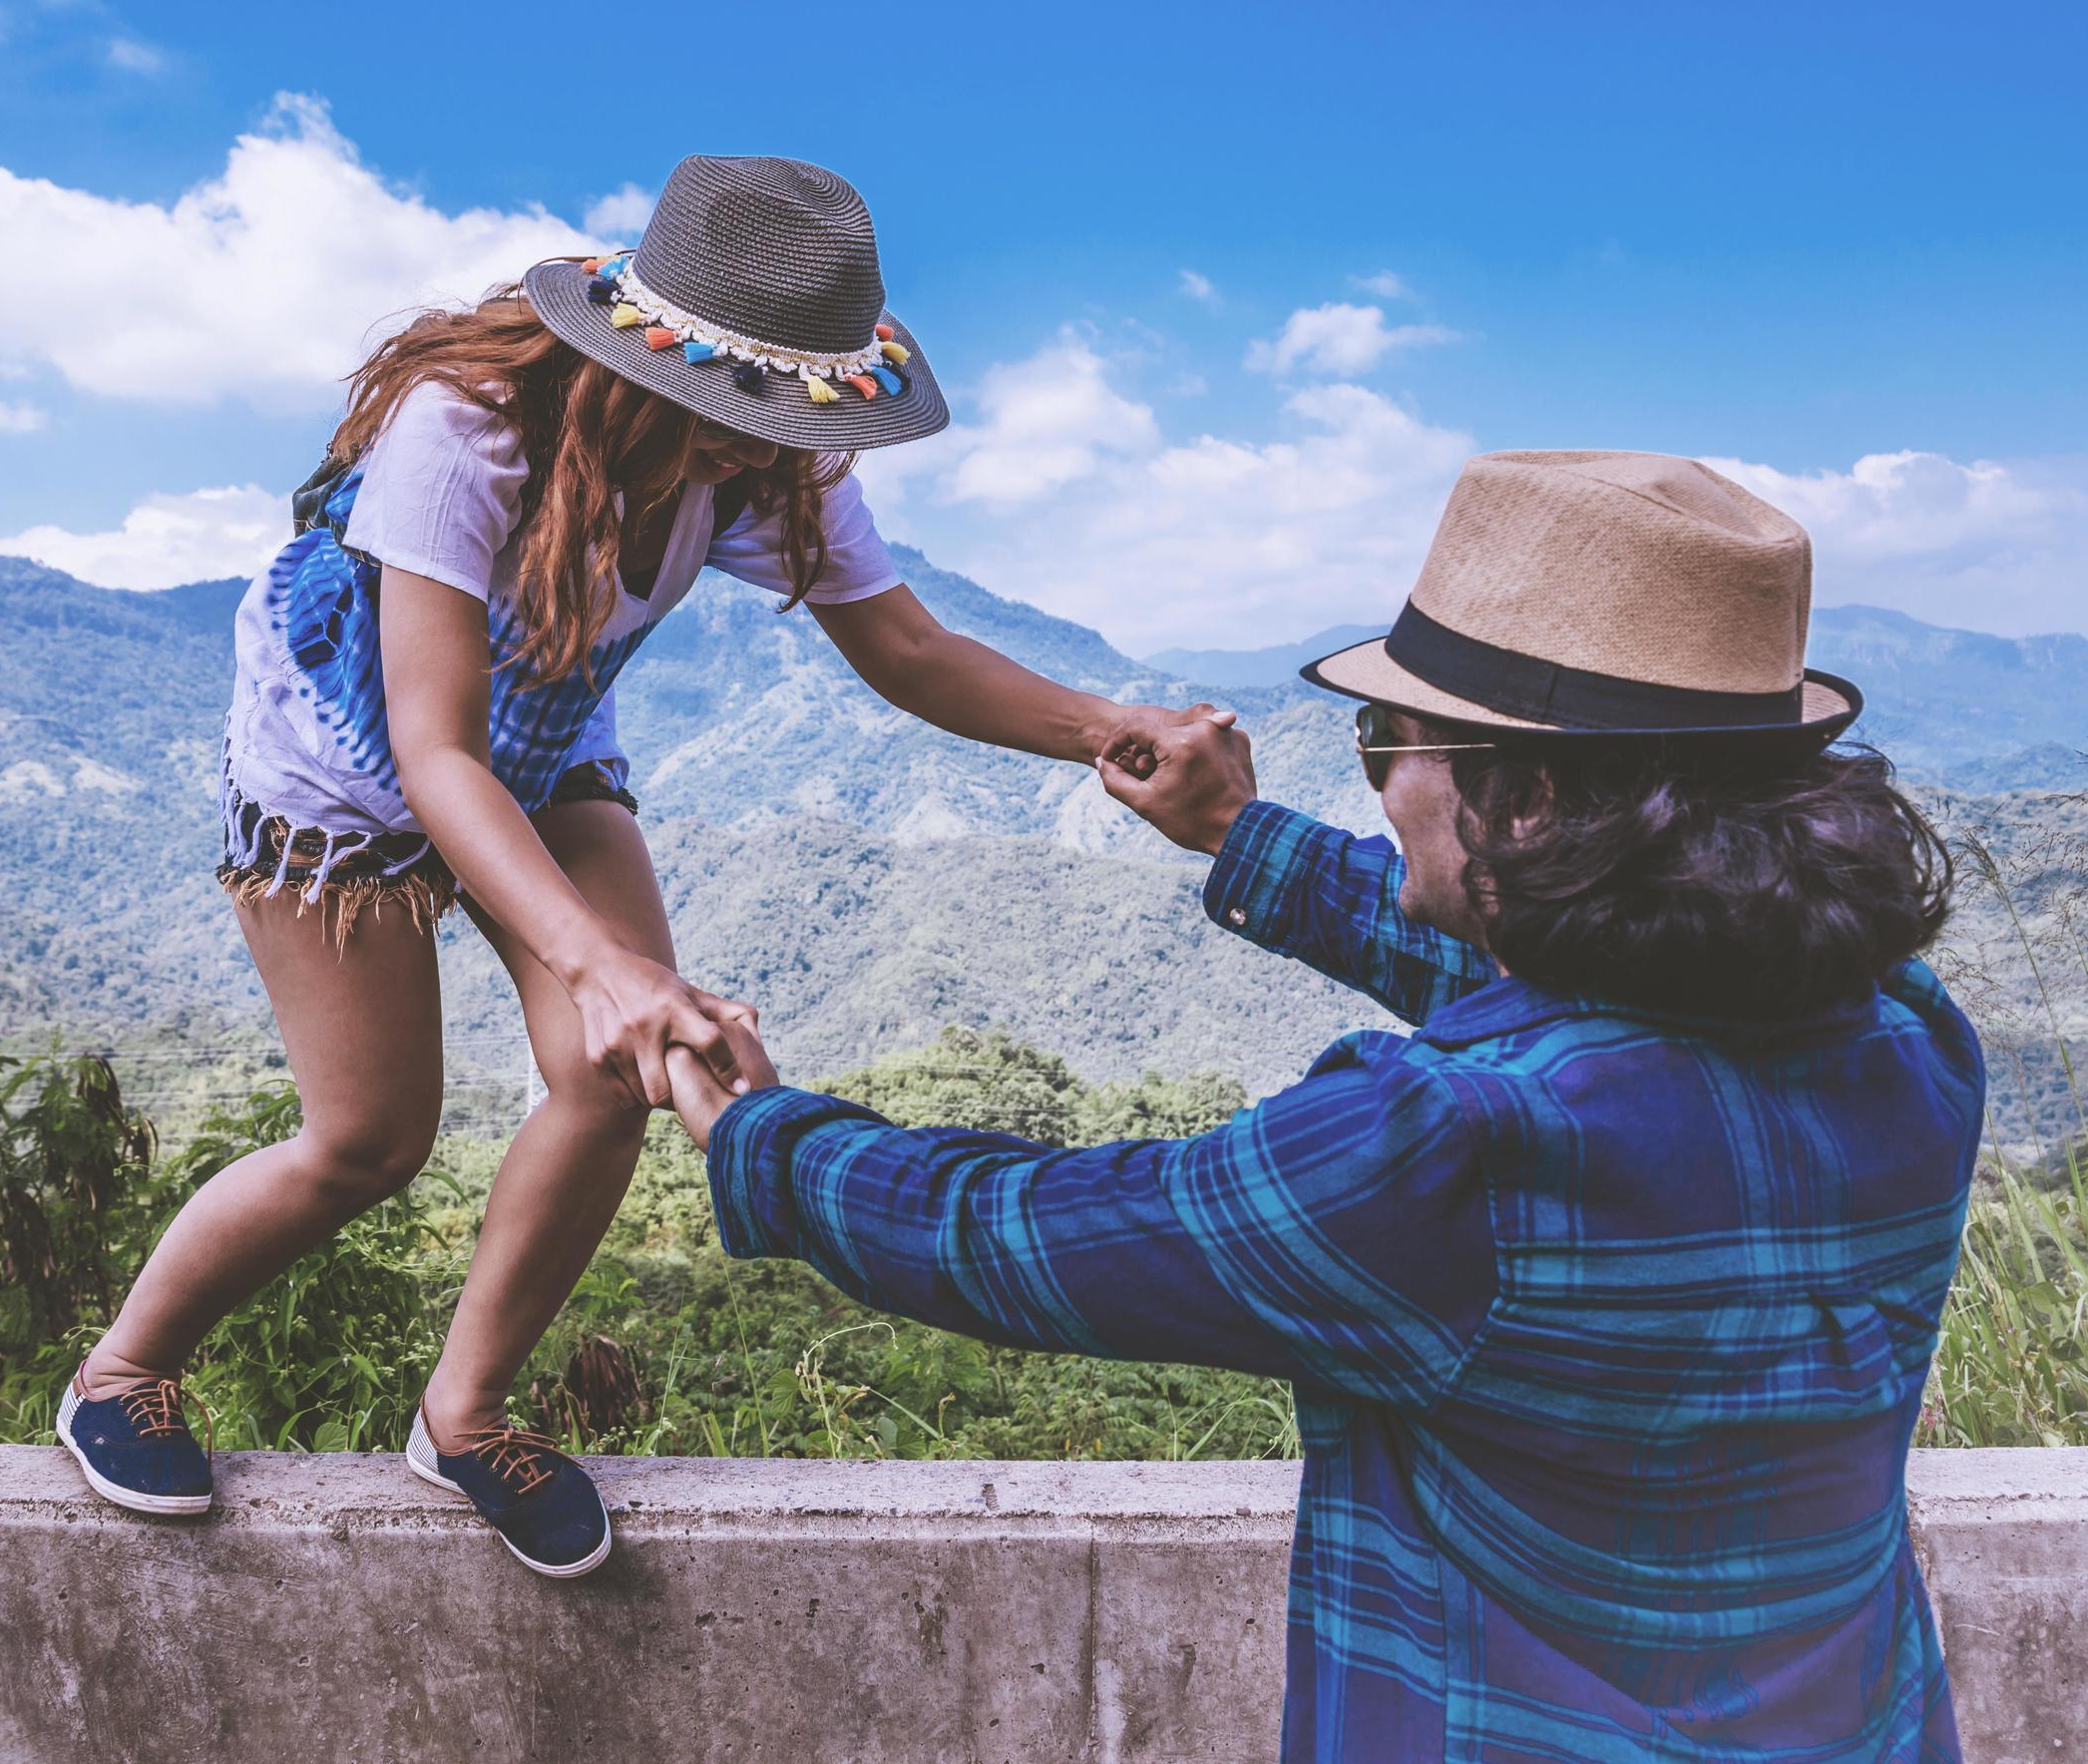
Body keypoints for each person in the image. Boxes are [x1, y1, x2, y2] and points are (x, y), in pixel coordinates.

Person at [664, 451, 1977, 1759]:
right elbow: (1604, 969)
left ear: (1525, 803)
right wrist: (1238, 833)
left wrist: (761, 1134)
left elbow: (1015, 1236)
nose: (1381, 775)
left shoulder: (1440, 1158)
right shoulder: (1912, 1043)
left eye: (1381, 744)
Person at [57, 154, 1213, 1577]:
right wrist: (597, 962)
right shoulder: (465, 430)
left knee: (612, 1068)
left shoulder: (772, 453)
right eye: (735, 405)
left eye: (779, 409)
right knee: (369, 1140)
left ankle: (463, 1413)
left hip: (538, 728)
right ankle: (120, 1372)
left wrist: (1118, 729)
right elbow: (433, 750)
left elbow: (905, 649)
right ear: (634, 363)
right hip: (346, 757)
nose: (759, 439)